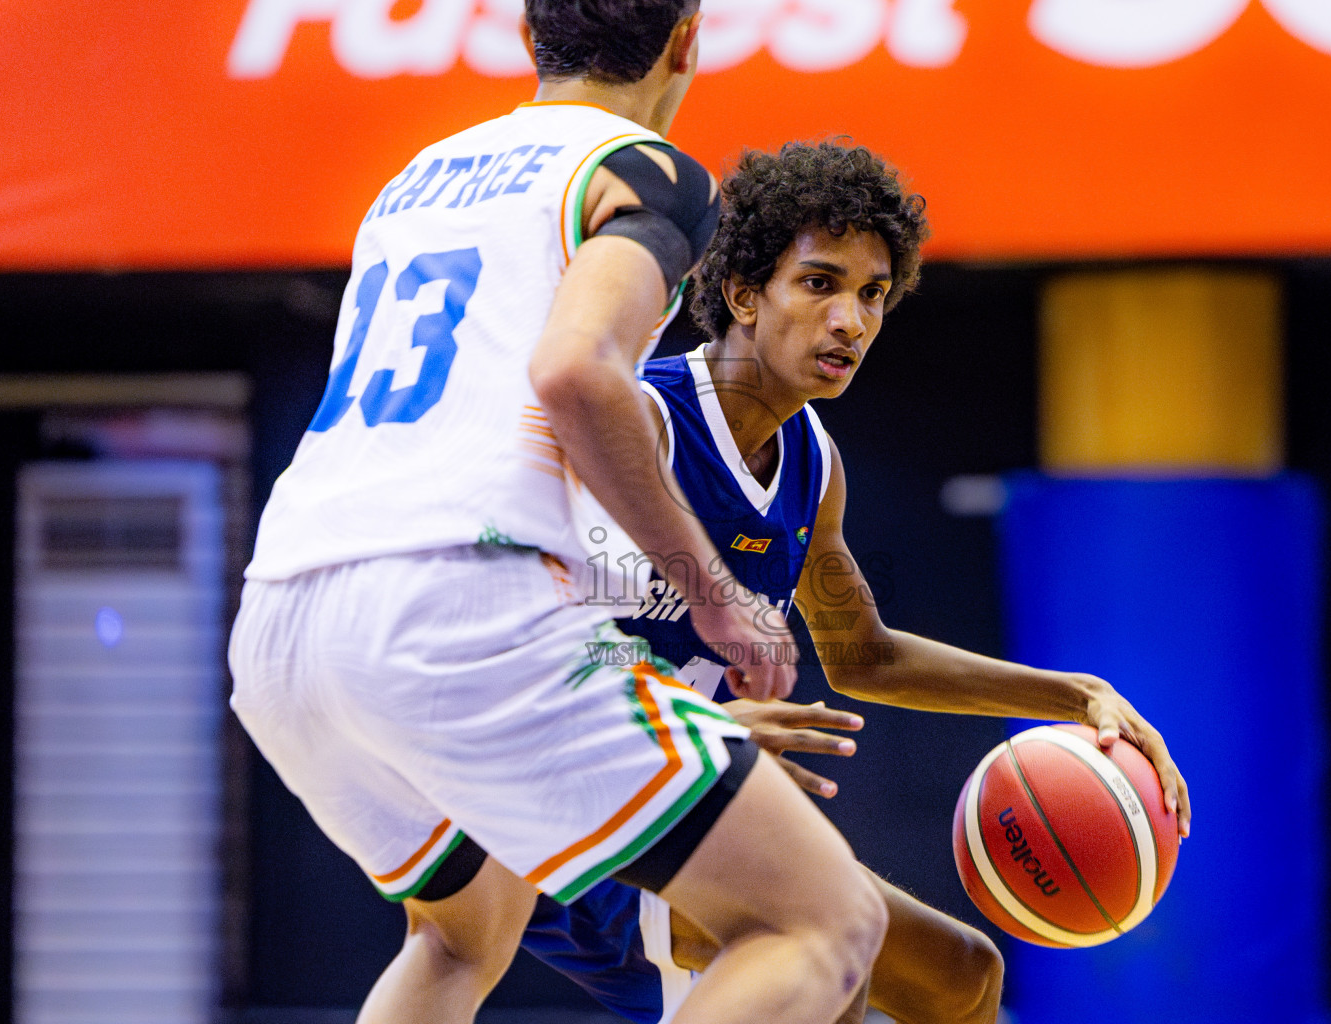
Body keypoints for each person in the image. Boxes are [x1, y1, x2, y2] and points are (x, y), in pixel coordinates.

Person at [227, 5, 890, 1024]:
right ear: (687, 42)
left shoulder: (415, 179)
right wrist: (715, 596)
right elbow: (577, 369)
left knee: (459, 936)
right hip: (454, 595)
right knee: (825, 920)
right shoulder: (651, 171)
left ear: (532, 41)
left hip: (282, 624)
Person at [516, 141, 1193, 1024]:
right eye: (821, 284)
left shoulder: (812, 465)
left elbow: (863, 655)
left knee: (963, 978)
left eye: (873, 295)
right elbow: (523, 643)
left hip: (681, 810)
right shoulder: (642, 423)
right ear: (743, 294)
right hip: (581, 812)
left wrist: (1076, 696)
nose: (852, 321)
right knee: (830, 954)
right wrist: (685, 726)